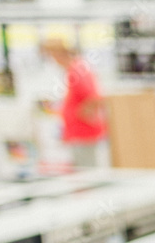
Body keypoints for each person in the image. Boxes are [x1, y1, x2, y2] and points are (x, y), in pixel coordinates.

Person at [40, 38, 107, 168]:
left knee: (86, 172)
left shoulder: (77, 70)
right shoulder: (74, 69)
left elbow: (95, 97)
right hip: (77, 133)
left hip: (82, 134)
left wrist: (83, 115)